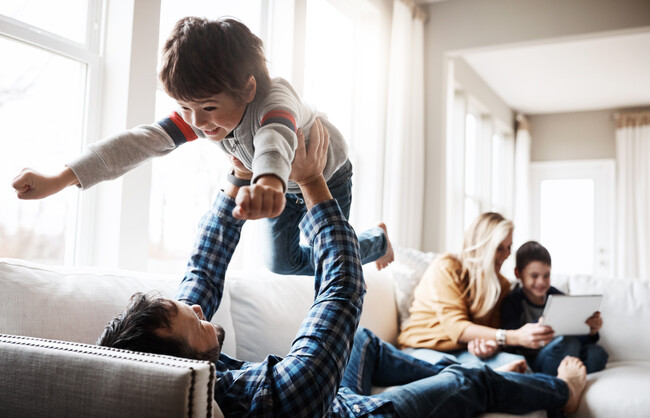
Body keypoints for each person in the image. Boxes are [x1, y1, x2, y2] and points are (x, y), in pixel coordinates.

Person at [99, 127, 587, 417]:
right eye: (193, 321)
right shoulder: (274, 396)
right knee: (468, 385)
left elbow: (202, 270)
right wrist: (313, 183)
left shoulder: (186, 368)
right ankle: (562, 392)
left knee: (365, 343)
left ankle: (485, 368)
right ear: (188, 360)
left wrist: (236, 179)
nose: (200, 307)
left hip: (336, 392)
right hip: (354, 414)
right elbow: (340, 292)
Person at [11, 16, 393, 275]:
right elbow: (141, 141)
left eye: (207, 107)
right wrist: (60, 178)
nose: (196, 122)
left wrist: (270, 183)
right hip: (270, 184)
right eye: (185, 108)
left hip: (323, 173)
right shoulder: (206, 116)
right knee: (281, 264)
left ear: (248, 88)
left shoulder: (275, 99)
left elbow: (274, 139)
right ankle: (375, 240)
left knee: (332, 262)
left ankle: (375, 242)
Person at [398, 212, 555, 370]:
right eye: (499, 248)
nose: (506, 255)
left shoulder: (502, 285)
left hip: (465, 352)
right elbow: (457, 328)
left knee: (520, 365)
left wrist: (489, 345)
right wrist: (514, 337)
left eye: (509, 247)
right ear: (482, 246)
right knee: (456, 372)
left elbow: (493, 330)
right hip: (424, 348)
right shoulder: (447, 267)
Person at [501, 240, 609, 375]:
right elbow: (512, 342)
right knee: (568, 344)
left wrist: (590, 330)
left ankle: (565, 371)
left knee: (596, 353)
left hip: (565, 349)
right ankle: (557, 376)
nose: (541, 281)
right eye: (534, 276)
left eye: (546, 275)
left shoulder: (558, 297)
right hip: (535, 358)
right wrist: (540, 325)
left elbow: (577, 337)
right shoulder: (512, 301)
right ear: (518, 274)